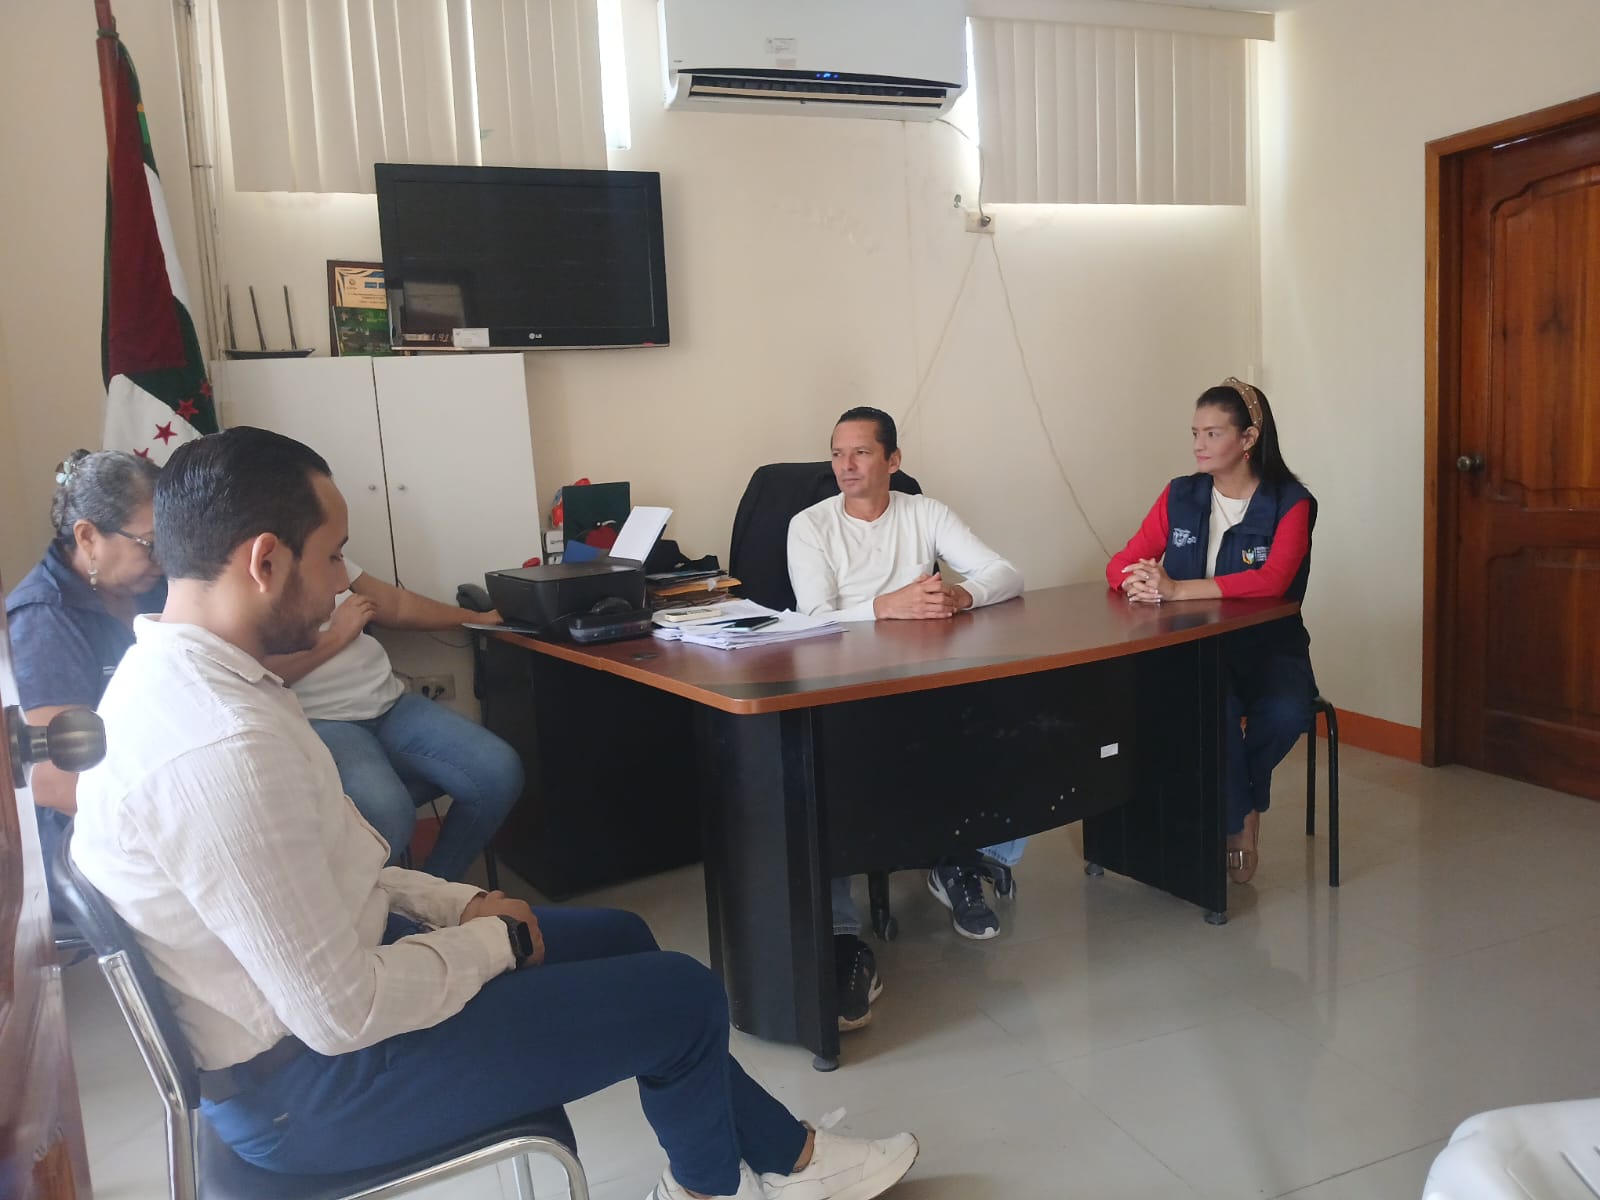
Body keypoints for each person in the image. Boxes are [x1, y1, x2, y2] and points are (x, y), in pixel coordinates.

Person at [71, 427, 919, 1200]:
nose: (339, 584)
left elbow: (344, 866)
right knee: (686, 998)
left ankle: (790, 1158)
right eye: (332, 557)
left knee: (624, 936)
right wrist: (497, 943)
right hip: (315, 1088)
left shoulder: (193, 680)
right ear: (264, 561)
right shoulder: (217, 748)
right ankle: (719, 1189)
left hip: (322, 1012)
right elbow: (341, 1013)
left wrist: (462, 903)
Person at [787, 407, 1026, 1028]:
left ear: (893, 461)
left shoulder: (925, 513)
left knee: (1014, 723)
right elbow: (812, 617)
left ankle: (961, 859)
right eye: (837, 453)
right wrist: (883, 607)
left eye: (861, 452)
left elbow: (1007, 574)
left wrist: (964, 593)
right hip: (843, 685)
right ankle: (842, 935)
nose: (845, 465)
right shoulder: (809, 525)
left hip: (926, 676)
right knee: (829, 777)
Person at [1106, 377, 1317, 885]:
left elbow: (1273, 580)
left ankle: (1245, 798)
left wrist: (1177, 589)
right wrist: (1137, 580)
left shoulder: (1291, 502)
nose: (1199, 445)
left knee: (1288, 713)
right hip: (1194, 647)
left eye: (1213, 433)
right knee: (1210, 711)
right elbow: (1120, 562)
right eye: (1195, 433)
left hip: (1270, 647)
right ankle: (1239, 822)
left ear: (1248, 439)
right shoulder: (1180, 494)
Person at [262, 560, 519, 882]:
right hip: (321, 720)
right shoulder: (246, 578)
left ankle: (436, 887)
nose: (342, 580)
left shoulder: (326, 553)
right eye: (334, 556)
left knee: (498, 771)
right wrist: (338, 635)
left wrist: (477, 618)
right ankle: (384, 905)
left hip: (391, 705)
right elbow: (259, 671)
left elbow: (395, 605)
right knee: (387, 812)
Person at [5, 449, 162, 910]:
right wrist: (175, 818)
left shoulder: (150, 586)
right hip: (90, 836)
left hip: (158, 790)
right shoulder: (42, 619)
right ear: (88, 536)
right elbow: (55, 782)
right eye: (151, 543)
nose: (166, 559)